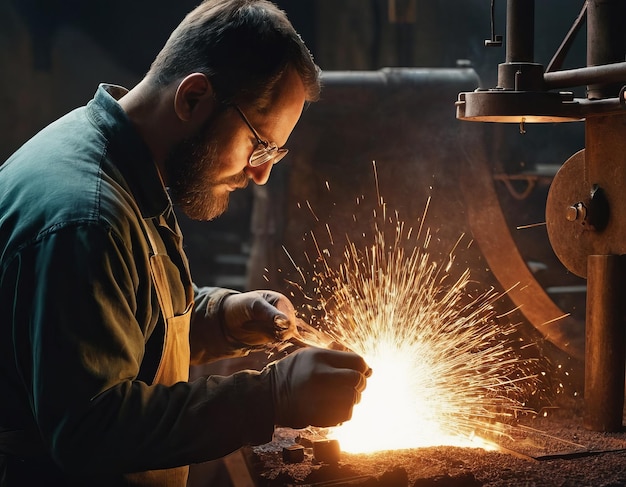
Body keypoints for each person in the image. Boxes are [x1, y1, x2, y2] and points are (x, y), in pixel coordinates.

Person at [0, 1, 371, 485]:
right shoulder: (87, 218)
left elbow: (121, 320)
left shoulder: (125, 168)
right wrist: (269, 397)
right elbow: (90, 431)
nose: (260, 174)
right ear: (193, 98)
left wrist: (224, 317)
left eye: (274, 154)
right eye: (259, 145)